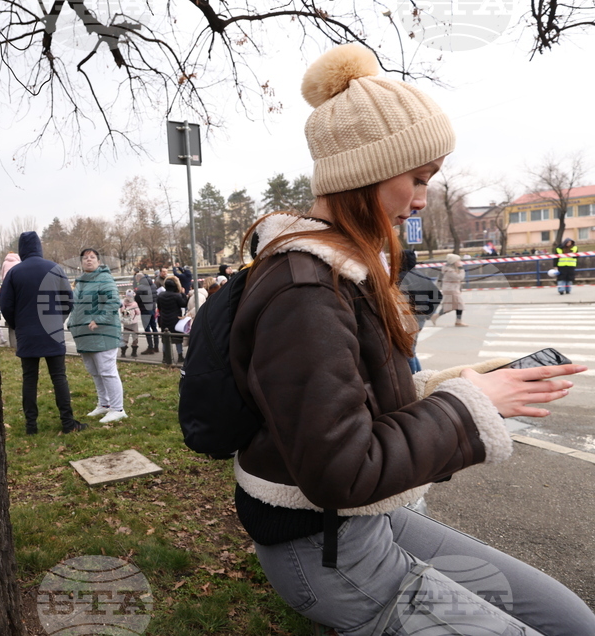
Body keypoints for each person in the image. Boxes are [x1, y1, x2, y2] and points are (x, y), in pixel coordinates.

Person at [227, 43, 594, 635]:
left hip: (362, 521)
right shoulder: (307, 291)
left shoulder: (339, 269)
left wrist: (471, 383)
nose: (422, 199)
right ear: (364, 171)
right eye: (417, 178)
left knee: (571, 620)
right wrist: (473, 408)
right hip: (327, 548)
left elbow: (352, 405)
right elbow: (340, 470)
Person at [0, 232, 87, 435]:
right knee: (59, 377)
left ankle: (31, 426)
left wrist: (16, 325)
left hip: (27, 332)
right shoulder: (54, 269)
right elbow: (68, 300)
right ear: (39, 247)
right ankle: (67, 422)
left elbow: (5, 305)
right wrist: (58, 320)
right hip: (53, 330)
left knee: (29, 379)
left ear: (21, 249)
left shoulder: (14, 272)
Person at [67, 248, 127, 424]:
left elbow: (113, 301)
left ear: (99, 262)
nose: (88, 260)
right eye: (85, 258)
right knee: (95, 372)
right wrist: (72, 323)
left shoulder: (104, 278)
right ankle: (105, 404)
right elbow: (77, 306)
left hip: (102, 333)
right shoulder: (81, 282)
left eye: (92, 258)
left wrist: (99, 320)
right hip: (85, 335)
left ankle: (118, 409)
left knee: (107, 371)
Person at [398, 249, 442, 373]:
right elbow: (437, 295)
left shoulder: (400, 278)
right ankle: (420, 377)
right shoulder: (422, 275)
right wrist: (428, 313)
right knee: (411, 351)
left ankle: (414, 381)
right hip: (420, 318)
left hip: (407, 319)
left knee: (408, 352)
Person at [430, 253, 467, 326]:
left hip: (451, 289)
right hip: (451, 290)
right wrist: (461, 269)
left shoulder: (450, 268)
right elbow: (459, 277)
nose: (459, 262)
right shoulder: (449, 270)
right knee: (459, 305)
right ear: (454, 261)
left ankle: (436, 317)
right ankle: (458, 321)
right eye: (458, 260)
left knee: (450, 306)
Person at [156, 278, 187, 362]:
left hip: (164, 319)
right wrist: (183, 294)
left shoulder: (160, 295)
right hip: (175, 319)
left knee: (165, 339)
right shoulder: (177, 296)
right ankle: (180, 356)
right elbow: (183, 304)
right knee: (177, 339)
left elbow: (159, 307)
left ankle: (165, 357)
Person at [133, 269, 159, 355]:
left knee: (147, 329)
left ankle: (150, 347)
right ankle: (156, 346)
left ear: (139, 278)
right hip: (153, 308)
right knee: (154, 328)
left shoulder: (140, 287)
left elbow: (137, 299)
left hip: (145, 310)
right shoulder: (153, 285)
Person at [119, 289, 141, 357]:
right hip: (134, 323)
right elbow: (138, 313)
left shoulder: (123, 303)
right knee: (135, 337)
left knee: (125, 337)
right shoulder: (134, 304)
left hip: (126, 323)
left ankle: (123, 353)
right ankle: (134, 353)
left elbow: (121, 311)